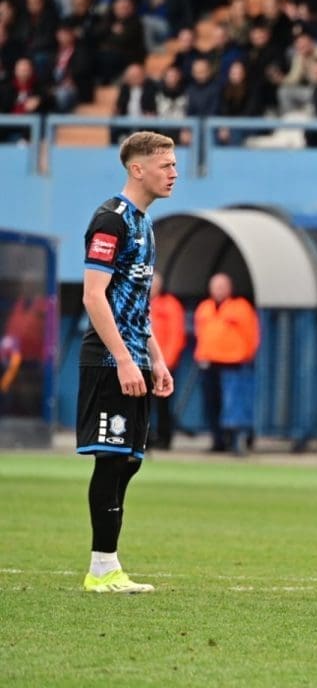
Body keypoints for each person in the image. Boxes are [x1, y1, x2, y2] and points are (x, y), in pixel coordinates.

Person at [77, 131, 177, 593]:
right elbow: (93, 296)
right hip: (108, 359)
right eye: (165, 165)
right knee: (112, 460)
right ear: (138, 169)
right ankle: (102, 570)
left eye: (174, 165)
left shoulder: (146, 224)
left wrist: (155, 358)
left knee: (130, 462)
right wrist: (122, 358)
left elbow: (137, 303)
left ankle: (108, 567)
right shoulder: (110, 220)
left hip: (135, 357)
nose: (173, 173)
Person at [194, 274, 260, 454]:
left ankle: (236, 440)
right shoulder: (205, 308)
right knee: (211, 403)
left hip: (233, 363)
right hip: (209, 362)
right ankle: (218, 441)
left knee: (233, 404)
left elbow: (252, 334)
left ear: (230, 288)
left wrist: (247, 355)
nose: (219, 290)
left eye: (222, 286)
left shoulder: (241, 308)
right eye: (216, 287)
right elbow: (200, 333)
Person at [148, 274, 184, 449]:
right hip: (142, 361)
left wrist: (166, 361)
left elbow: (175, 335)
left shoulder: (170, 305)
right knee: (142, 402)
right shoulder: (139, 303)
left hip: (162, 362)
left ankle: (164, 438)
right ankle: (145, 437)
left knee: (163, 402)